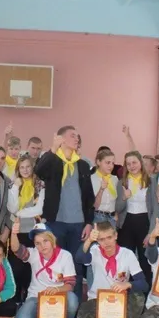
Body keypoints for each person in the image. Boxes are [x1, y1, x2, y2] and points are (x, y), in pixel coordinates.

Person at [34, 126, 95, 300]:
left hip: (78, 224)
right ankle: (55, 304)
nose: (76, 139)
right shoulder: (53, 161)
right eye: (72, 135)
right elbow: (39, 171)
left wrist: (89, 222)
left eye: (77, 136)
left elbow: (89, 197)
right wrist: (53, 148)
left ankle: (74, 304)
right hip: (56, 223)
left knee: (76, 267)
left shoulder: (83, 165)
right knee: (56, 264)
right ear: (61, 139)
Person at [75, 222, 148, 318]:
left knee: (138, 297)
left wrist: (127, 284)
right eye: (101, 239)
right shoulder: (94, 251)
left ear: (116, 236)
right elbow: (79, 258)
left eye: (109, 237)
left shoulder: (127, 254)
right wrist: (89, 240)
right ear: (97, 241)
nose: (106, 242)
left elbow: (144, 284)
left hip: (121, 300)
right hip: (98, 299)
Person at [11, 221, 79, 318]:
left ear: (52, 239)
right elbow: (16, 249)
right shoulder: (33, 254)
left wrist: (57, 289)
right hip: (36, 297)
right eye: (38, 243)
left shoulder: (65, 256)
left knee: (72, 299)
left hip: (58, 296)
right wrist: (14, 233)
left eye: (45, 241)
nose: (42, 246)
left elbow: (70, 284)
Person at [115, 151, 158, 286]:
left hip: (144, 223)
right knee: (125, 259)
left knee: (145, 260)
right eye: (128, 164)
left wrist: (151, 233)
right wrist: (124, 197)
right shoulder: (122, 182)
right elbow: (118, 208)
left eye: (134, 162)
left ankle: (144, 291)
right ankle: (124, 290)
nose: (132, 166)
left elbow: (156, 209)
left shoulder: (151, 181)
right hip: (126, 224)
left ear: (141, 163)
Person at [6, 155, 45, 302]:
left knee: (31, 268)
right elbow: (12, 207)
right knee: (16, 268)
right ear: (18, 169)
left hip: (33, 232)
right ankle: (15, 300)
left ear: (33, 167)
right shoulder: (14, 184)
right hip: (17, 232)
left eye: (28, 166)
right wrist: (16, 187)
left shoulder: (40, 184)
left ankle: (29, 299)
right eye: (22, 167)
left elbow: (39, 209)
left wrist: (19, 213)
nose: (25, 170)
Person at [91, 149, 118, 228]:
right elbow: (94, 206)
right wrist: (101, 189)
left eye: (112, 163)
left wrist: (117, 214)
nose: (111, 166)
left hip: (112, 218)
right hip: (98, 217)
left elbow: (118, 201)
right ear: (98, 162)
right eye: (107, 162)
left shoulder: (115, 179)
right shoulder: (91, 179)